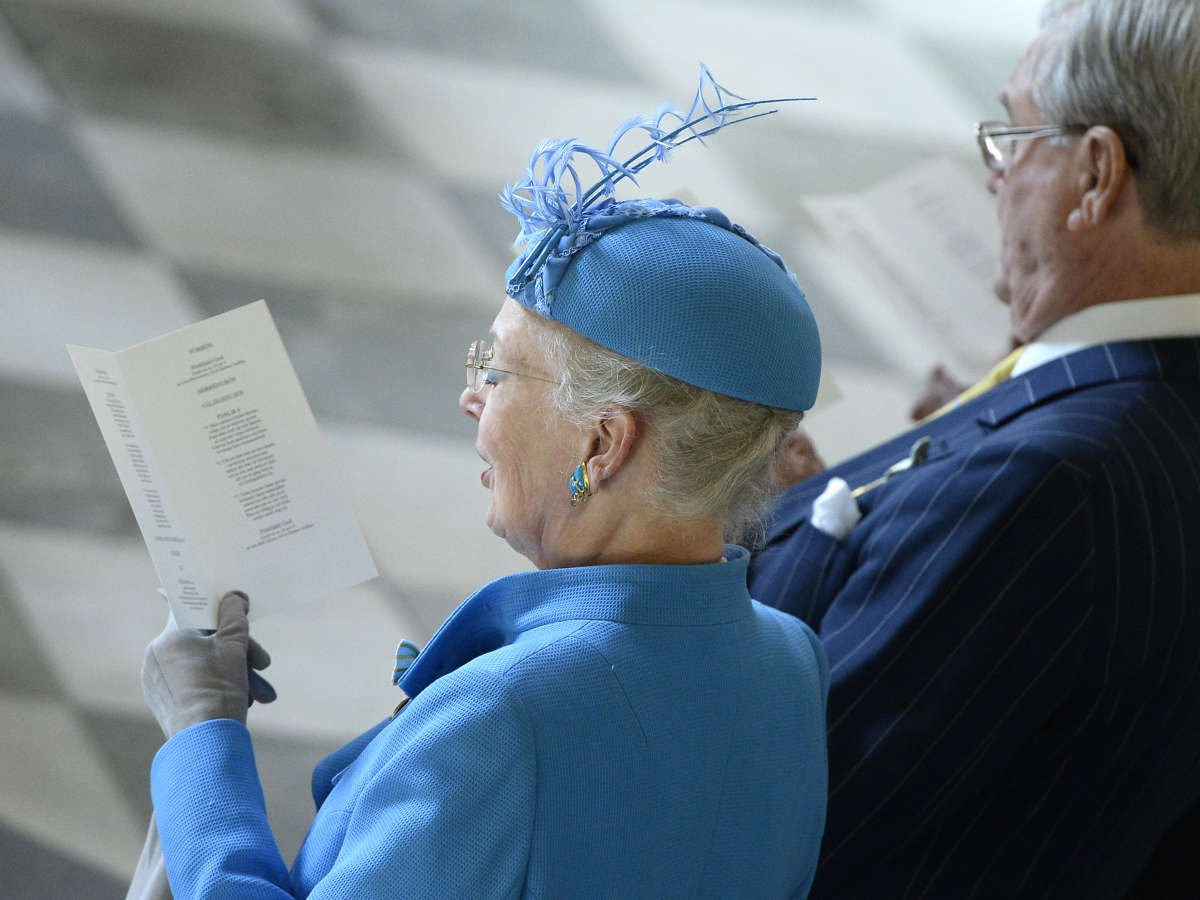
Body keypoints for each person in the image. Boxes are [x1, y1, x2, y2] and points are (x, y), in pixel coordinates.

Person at [132, 74, 830, 898]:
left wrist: (202, 735)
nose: (471, 396)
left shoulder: (504, 719)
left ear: (602, 442)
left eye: (498, 371)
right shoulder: (791, 658)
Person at [749, 0, 1200, 896]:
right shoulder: (1114, 414)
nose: (994, 175)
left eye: (1015, 136)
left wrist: (722, 528)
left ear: (1098, 175)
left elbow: (790, 812)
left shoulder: (1048, 482)